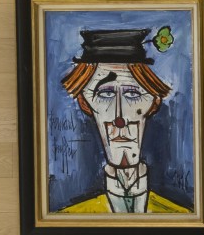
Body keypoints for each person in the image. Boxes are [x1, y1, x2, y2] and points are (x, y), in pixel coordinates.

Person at [55, 26, 191, 215]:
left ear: (153, 102)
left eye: (133, 93)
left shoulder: (181, 217)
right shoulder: (69, 218)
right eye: (106, 93)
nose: (120, 117)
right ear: (85, 102)